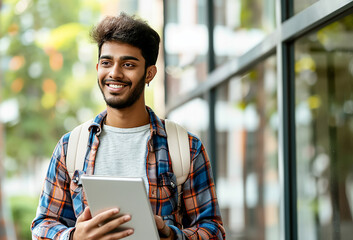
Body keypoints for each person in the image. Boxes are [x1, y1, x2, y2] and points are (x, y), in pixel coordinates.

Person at [31, 12, 225, 240]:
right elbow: (42, 226)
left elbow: (214, 231)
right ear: (97, 68)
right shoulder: (70, 146)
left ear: (149, 73)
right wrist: (73, 237)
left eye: (128, 64)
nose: (114, 73)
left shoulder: (186, 148)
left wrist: (171, 236)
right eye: (107, 62)